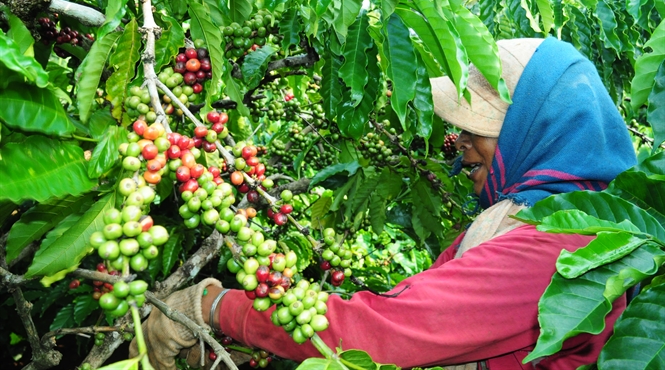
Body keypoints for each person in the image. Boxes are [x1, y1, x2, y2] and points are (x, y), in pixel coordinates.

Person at [131, 37, 637, 369]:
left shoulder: (562, 246)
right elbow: (414, 313)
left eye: (477, 127)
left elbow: (381, 333)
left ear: (539, 130)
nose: (459, 140)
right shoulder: (527, 218)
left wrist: (215, 307)